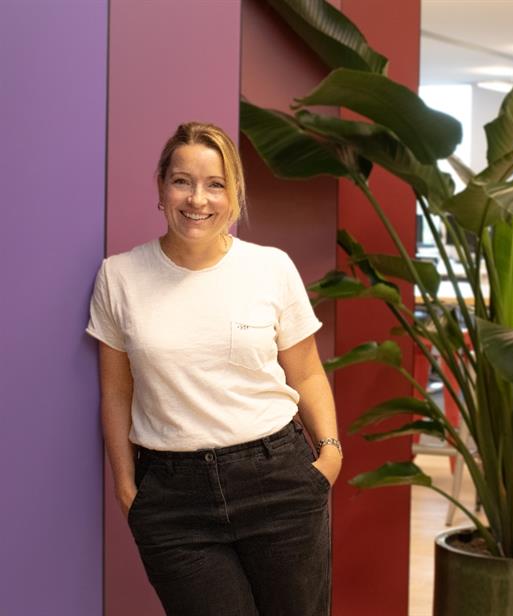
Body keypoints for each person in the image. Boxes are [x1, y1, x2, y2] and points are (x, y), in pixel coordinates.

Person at [87, 122, 340, 616]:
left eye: (215, 184)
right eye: (182, 181)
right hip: (173, 497)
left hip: (278, 478)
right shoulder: (119, 277)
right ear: (160, 187)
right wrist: (126, 488)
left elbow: (307, 372)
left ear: (234, 194)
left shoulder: (270, 267)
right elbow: (115, 392)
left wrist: (328, 457)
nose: (197, 199)